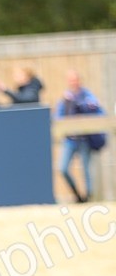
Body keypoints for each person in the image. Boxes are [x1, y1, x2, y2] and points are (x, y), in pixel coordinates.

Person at [56, 70, 105, 202]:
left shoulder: (88, 96)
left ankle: (88, 196)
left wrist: (82, 105)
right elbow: (58, 117)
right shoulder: (65, 99)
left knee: (86, 170)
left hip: (85, 139)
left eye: (75, 79)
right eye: (70, 80)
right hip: (70, 140)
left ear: (79, 80)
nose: (73, 82)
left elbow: (99, 112)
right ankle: (77, 195)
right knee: (62, 168)